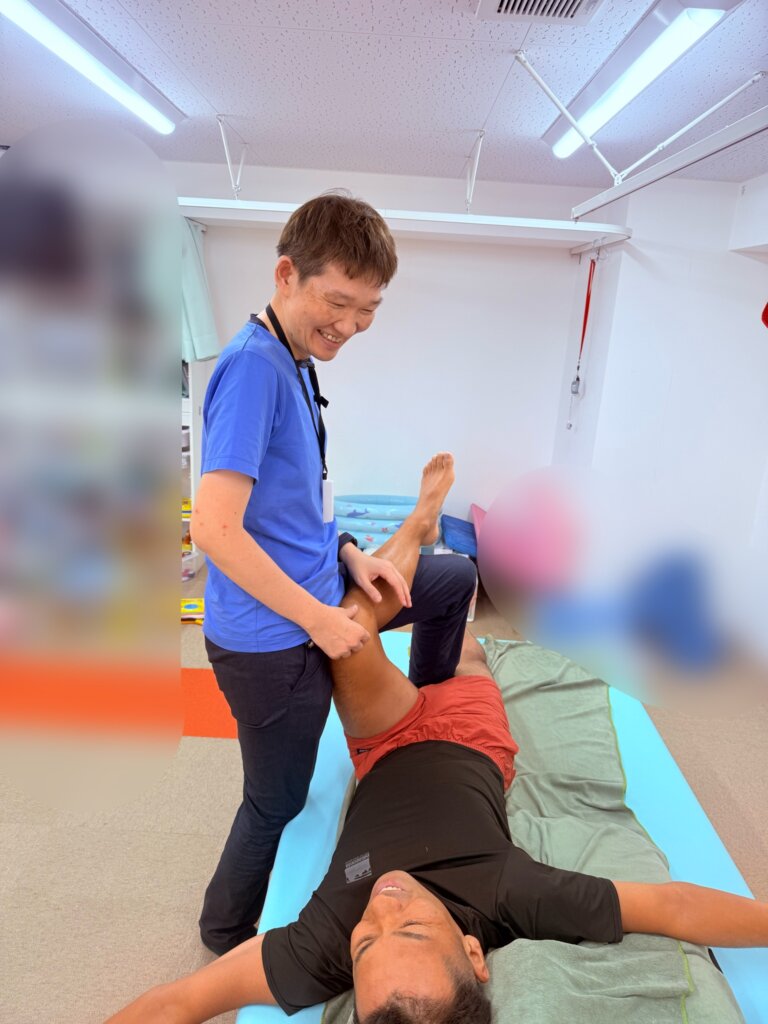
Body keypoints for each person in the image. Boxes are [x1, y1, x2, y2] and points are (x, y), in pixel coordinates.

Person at [109, 454, 768, 1024]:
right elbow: (675, 907)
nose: (385, 904)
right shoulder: (512, 895)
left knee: (349, 629)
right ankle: (427, 551)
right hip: (470, 739)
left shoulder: (318, 948)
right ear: (475, 954)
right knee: (471, 646)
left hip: (385, 742)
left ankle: (417, 525)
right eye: (415, 930)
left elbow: (180, 1002)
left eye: (366, 942)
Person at [190, 193, 477, 956]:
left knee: (451, 580)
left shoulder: (293, 360)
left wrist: (349, 553)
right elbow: (213, 528)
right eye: (338, 302)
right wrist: (319, 621)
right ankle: (223, 933)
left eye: (368, 309)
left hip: (326, 587)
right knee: (276, 799)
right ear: (286, 275)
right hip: (272, 639)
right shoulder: (253, 370)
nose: (350, 325)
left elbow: (293, 503)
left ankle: (427, 704)